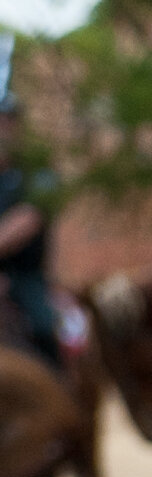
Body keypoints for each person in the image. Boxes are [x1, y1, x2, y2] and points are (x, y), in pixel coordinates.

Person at [0, 90, 62, 369]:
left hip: (25, 278)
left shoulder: (39, 175)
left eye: (7, 122)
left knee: (42, 325)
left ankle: (59, 389)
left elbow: (25, 222)